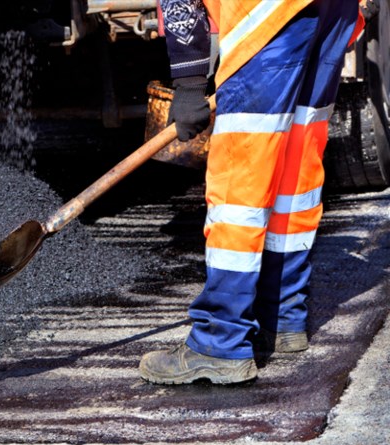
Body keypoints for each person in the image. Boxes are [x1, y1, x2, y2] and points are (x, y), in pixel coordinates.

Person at [140, 0, 368, 385]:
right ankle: (281, 316)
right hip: (333, 9)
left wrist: (190, 82)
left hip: (267, 12)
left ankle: (219, 341)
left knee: (240, 182)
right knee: (296, 165)